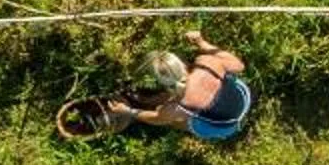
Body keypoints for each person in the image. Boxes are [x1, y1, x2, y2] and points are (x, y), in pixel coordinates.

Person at [102, 29, 252, 143]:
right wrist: (201, 42)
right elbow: (239, 66)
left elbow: (157, 119)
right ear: (181, 63)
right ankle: (141, 102)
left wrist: (128, 111)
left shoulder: (177, 108)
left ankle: (136, 111)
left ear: (161, 83)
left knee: (175, 122)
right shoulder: (208, 62)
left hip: (223, 125)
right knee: (172, 112)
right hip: (241, 97)